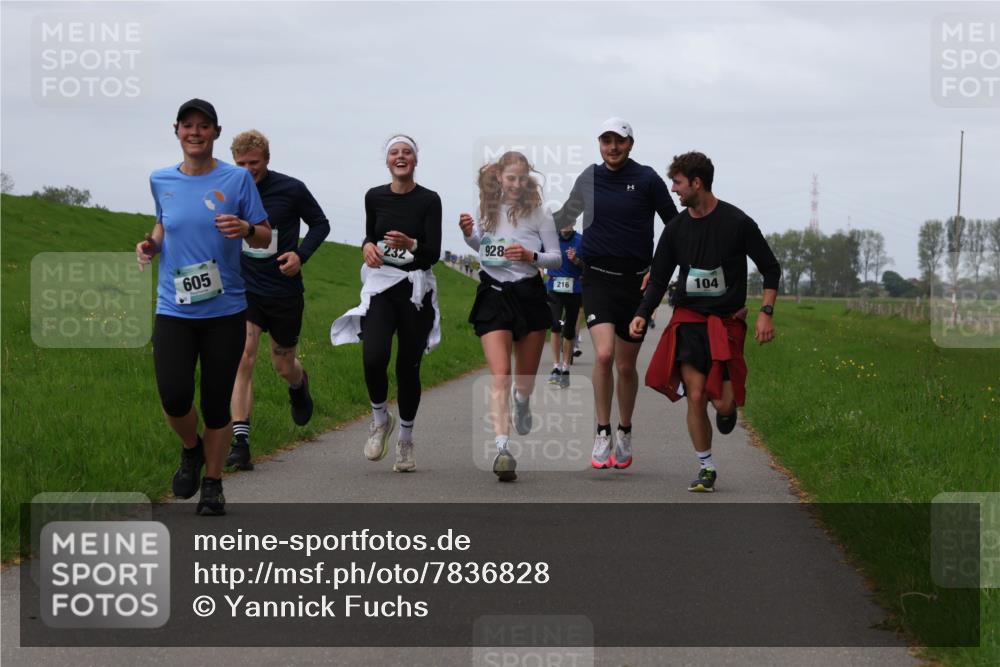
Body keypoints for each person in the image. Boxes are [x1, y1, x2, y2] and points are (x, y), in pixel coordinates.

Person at [137, 98, 271, 515]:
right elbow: (164, 222)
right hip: (174, 308)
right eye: (187, 125)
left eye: (204, 126)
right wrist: (151, 244)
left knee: (216, 403)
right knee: (174, 395)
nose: (195, 132)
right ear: (176, 130)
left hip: (225, 310)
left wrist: (247, 227)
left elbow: (264, 236)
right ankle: (191, 449)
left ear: (215, 132)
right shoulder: (161, 179)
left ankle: (213, 483)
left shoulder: (236, 181)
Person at [630, 151, 780, 492]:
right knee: (695, 395)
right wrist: (642, 312)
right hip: (688, 320)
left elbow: (771, 268)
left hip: (726, 323)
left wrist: (766, 313)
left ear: (697, 183)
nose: (674, 190)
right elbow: (659, 278)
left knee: (723, 402)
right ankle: (706, 467)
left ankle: (726, 411)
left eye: (678, 183)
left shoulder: (738, 223)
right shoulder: (675, 230)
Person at [552, 117, 678, 470]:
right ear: (599, 144)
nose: (612, 147)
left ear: (630, 144)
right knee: (604, 356)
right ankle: (602, 431)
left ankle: (625, 429)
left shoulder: (647, 179)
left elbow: (675, 226)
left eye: (619, 141)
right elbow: (564, 216)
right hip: (597, 279)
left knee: (625, 365)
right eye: (606, 141)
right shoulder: (588, 178)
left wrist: (660, 269)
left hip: (635, 284)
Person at [330, 135, 441, 473]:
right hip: (381, 288)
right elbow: (369, 234)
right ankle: (380, 420)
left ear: (416, 160)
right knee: (373, 356)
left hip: (414, 293)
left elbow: (432, 252)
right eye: (395, 152)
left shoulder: (430, 200)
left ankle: (406, 441)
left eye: (407, 152)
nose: (401, 156)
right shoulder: (374, 196)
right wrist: (366, 246)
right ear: (388, 161)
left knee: (408, 368)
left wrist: (412, 243)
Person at [224, 129, 331, 471]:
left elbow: (320, 224)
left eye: (253, 163)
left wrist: (301, 255)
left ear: (267, 160)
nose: (247, 170)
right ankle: (240, 443)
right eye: (240, 163)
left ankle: (299, 384)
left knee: (283, 365)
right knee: (243, 357)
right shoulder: (229, 190)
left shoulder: (291, 189)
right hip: (245, 289)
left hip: (284, 292)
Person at [460, 151, 562, 482]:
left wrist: (531, 255)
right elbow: (482, 246)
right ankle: (502, 449)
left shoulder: (541, 214)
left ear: (527, 178)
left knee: (523, 380)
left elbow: (556, 259)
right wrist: (468, 234)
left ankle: (523, 400)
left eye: (522, 178)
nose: (516, 184)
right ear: (500, 178)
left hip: (529, 295)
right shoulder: (486, 209)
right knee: (500, 373)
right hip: (493, 293)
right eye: (510, 178)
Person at [545, 224, 584, 388]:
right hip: (554, 287)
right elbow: (541, 256)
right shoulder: (551, 240)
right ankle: (555, 366)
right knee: (554, 325)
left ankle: (566, 368)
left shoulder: (580, 240)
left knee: (569, 330)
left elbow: (587, 266)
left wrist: (576, 260)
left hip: (574, 289)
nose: (566, 224)